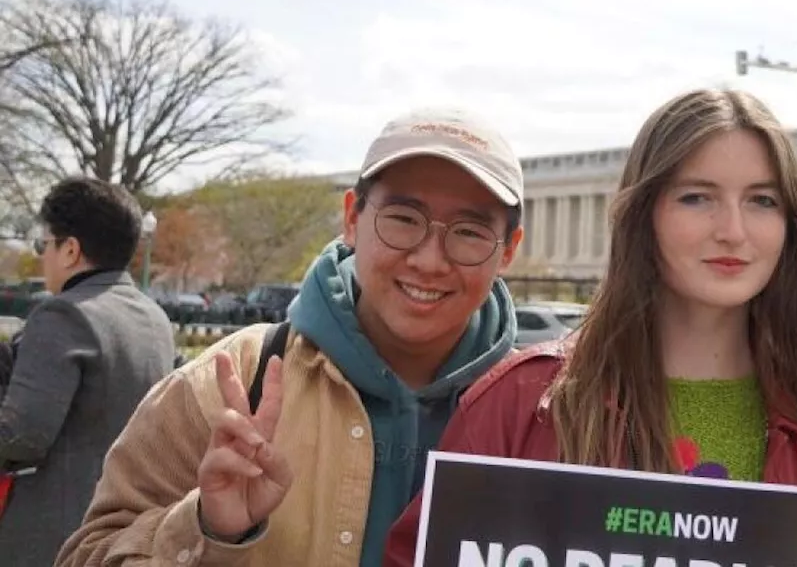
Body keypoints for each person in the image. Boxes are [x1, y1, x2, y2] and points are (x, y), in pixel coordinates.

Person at [382, 88, 797, 566]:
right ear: (645, 214)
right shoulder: (521, 404)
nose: (733, 230)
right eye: (696, 197)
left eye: (762, 201)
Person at [57, 108, 525, 567]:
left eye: (468, 232)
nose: (428, 260)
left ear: (509, 250)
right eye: (403, 219)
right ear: (351, 218)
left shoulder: (550, 415)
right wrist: (205, 529)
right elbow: (85, 554)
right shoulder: (230, 382)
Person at [0, 176, 177, 566]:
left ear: (70, 250)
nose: (42, 256)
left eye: (43, 244)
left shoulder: (62, 313)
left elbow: (20, 437)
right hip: (125, 533)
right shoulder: (154, 318)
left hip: (50, 540)